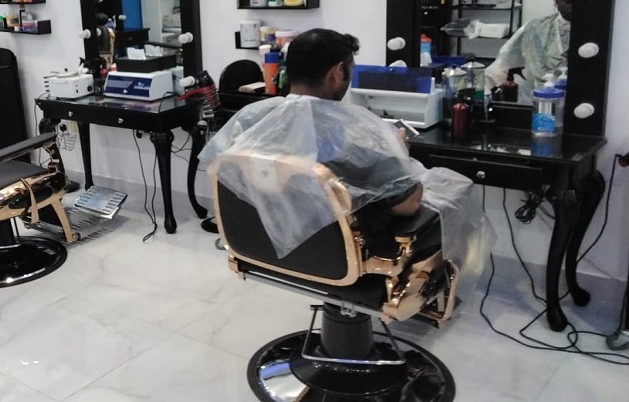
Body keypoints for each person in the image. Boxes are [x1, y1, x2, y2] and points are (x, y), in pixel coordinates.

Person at [200, 28, 490, 276]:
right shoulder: (362, 132)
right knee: (459, 190)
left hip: (271, 248)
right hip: (343, 257)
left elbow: (231, 175)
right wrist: (396, 152)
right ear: (338, 72)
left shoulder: (252, 118)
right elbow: (408, 204)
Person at [485, 0, 574, 104]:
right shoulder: (536, 28)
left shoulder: (597, 30)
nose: (573, 7)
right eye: (568, 1)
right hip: (539, 98)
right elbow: (503, 62)